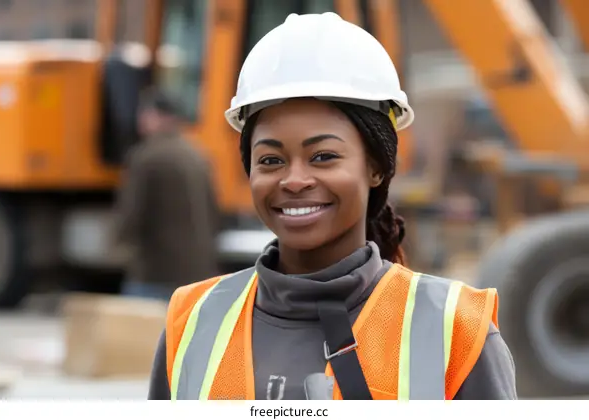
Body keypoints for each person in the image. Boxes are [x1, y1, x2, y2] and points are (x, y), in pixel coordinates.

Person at [147, 13, 516, 400]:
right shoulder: (191, 322)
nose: (294, 179)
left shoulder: (454, 329)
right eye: (271, 160)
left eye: (322, 156)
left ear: (376, 167)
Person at [113, 87, 220, 301]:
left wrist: (119, 252)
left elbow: (131, 214)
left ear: (156, 116)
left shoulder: (146, 157)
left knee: (144, 332)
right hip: (197, 272)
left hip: (156, 272)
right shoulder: (197, 154)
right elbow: (214, 211)